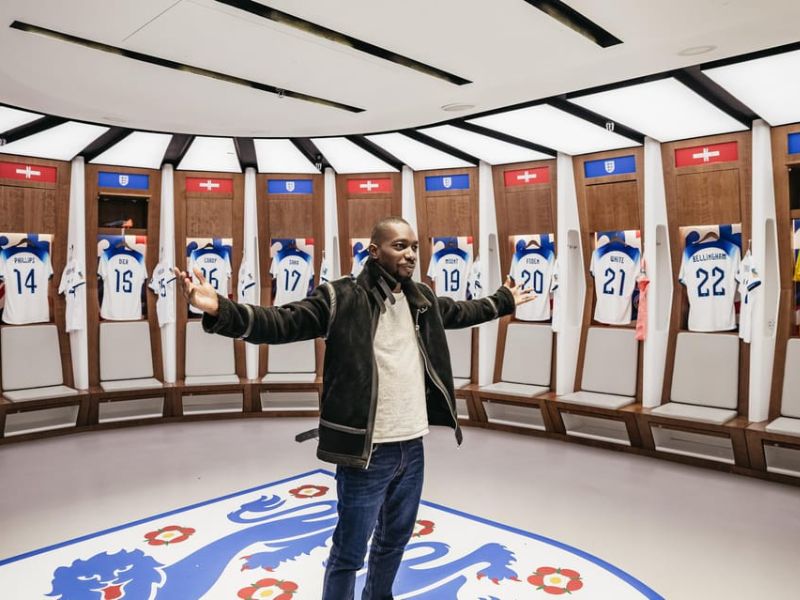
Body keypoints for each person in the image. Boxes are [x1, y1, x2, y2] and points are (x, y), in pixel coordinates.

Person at [174, 217, 535, 599]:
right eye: (399, 246)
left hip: (412, 447)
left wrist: (503, 301)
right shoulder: (340, 297)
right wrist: (220, 310)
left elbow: (462, 312)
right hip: (365, 452)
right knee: (349, 553)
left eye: (413, 246)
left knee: (394, 543)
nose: (410, 254)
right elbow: (282, 322)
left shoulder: (421, 300)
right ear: (373, 251)